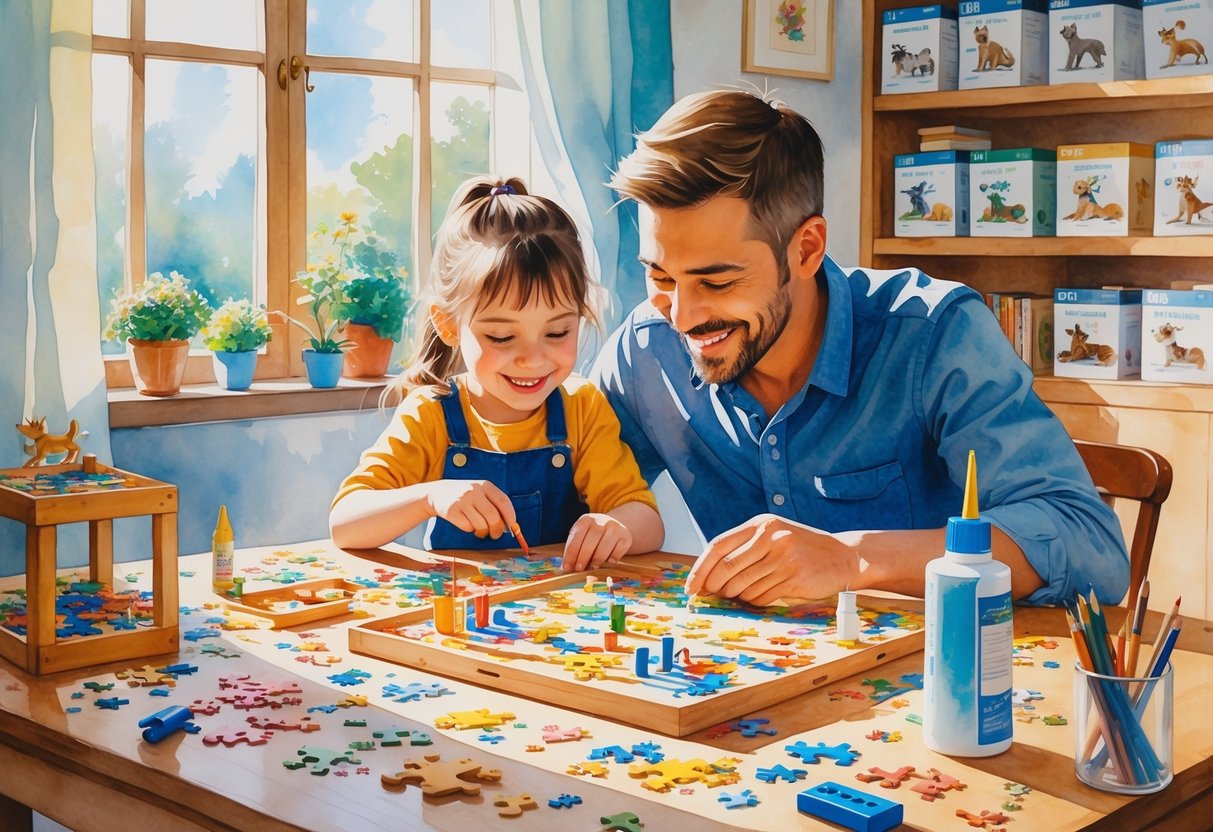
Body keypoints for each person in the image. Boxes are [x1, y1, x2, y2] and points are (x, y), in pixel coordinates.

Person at [592, 90, 1128, 607]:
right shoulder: (645, 353)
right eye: (660, 277)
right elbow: (568, 486)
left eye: (717, 282)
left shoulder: (937, 335)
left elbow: (1089, 545)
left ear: (806, 249)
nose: (682, 315)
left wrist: (853, 559)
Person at [331, 176, 663, 571]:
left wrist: (616, 526)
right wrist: (429, 497)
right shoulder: (429, 414)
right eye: (502, 337)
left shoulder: (583, 408)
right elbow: (345, 523)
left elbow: (648, 523)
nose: (532, 359)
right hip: (460, 607)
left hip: (561, 604)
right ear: (448, 325)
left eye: (557, 332)